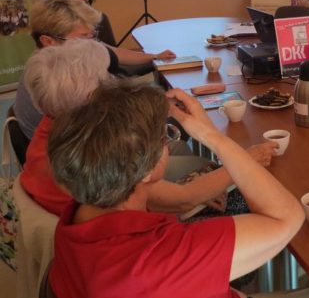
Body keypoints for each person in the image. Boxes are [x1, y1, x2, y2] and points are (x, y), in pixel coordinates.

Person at [46, 82, 309, 298]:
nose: (169, 144)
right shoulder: (157, 259)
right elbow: (287, 217)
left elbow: (181, 283)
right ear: (148, 171)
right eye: (165, 140)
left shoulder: (78, 218)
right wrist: (212, 136)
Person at [18, 40, 255, 218]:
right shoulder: (96, 151)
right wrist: (247, 161)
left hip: (82, 232)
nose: (109, 80)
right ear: (90, 95)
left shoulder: (60, 129)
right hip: (132, 239)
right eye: (104, 77)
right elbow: (184, 199)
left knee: (186, 152)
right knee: (236, 195)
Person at [13, 0, 175, 139]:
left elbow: (113, 52)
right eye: (84, 38)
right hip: (74, 157)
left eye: (93, 35)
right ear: (48, 41)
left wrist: (154, 56)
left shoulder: (65, 57)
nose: (93, 43)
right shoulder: (61, 85)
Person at [44, 0, 116, 45]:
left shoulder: (99, 20)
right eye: (77, 3)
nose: (84, 7)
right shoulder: (47, 26)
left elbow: (112, 52)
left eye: (86, 2)